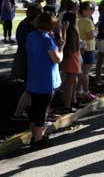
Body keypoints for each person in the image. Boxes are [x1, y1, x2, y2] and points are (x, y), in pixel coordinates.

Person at [25, 12, 62, 148]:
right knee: (42, 111)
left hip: (33, 78)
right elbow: (57, 59)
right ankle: (38, 140)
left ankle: (35, 135)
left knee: (35, 110)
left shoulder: (31, 36)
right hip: (45, 80)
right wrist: (61, 47)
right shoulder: (46, 39)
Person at [12, 4, 42, 121]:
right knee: (30, 89)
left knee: (30, 89)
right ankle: (18, 113)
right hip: (28, 61)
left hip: (25, 60)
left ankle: (26, 112)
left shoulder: (24, 25)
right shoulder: (30, 29)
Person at [59, 0, 80, 113]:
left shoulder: (71, 17)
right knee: (71, 79)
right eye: (77, 6)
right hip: (70, 51)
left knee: (74, 78)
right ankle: (67, 104)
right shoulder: (69, 17)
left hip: (74, 50)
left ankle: (72, 100)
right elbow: (66, 35)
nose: (79, 9)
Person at [77, 1, 97, 102]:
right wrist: (96, 32)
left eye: (92, 8)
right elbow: (90, 36)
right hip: (88, 48)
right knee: (85, 73)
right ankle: (86, 92)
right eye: (90, 8)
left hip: (80, 48)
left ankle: (79, 91)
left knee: (80, 72)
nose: (92, 10)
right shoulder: (88, 21)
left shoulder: (78, 20)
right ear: (83, 10)